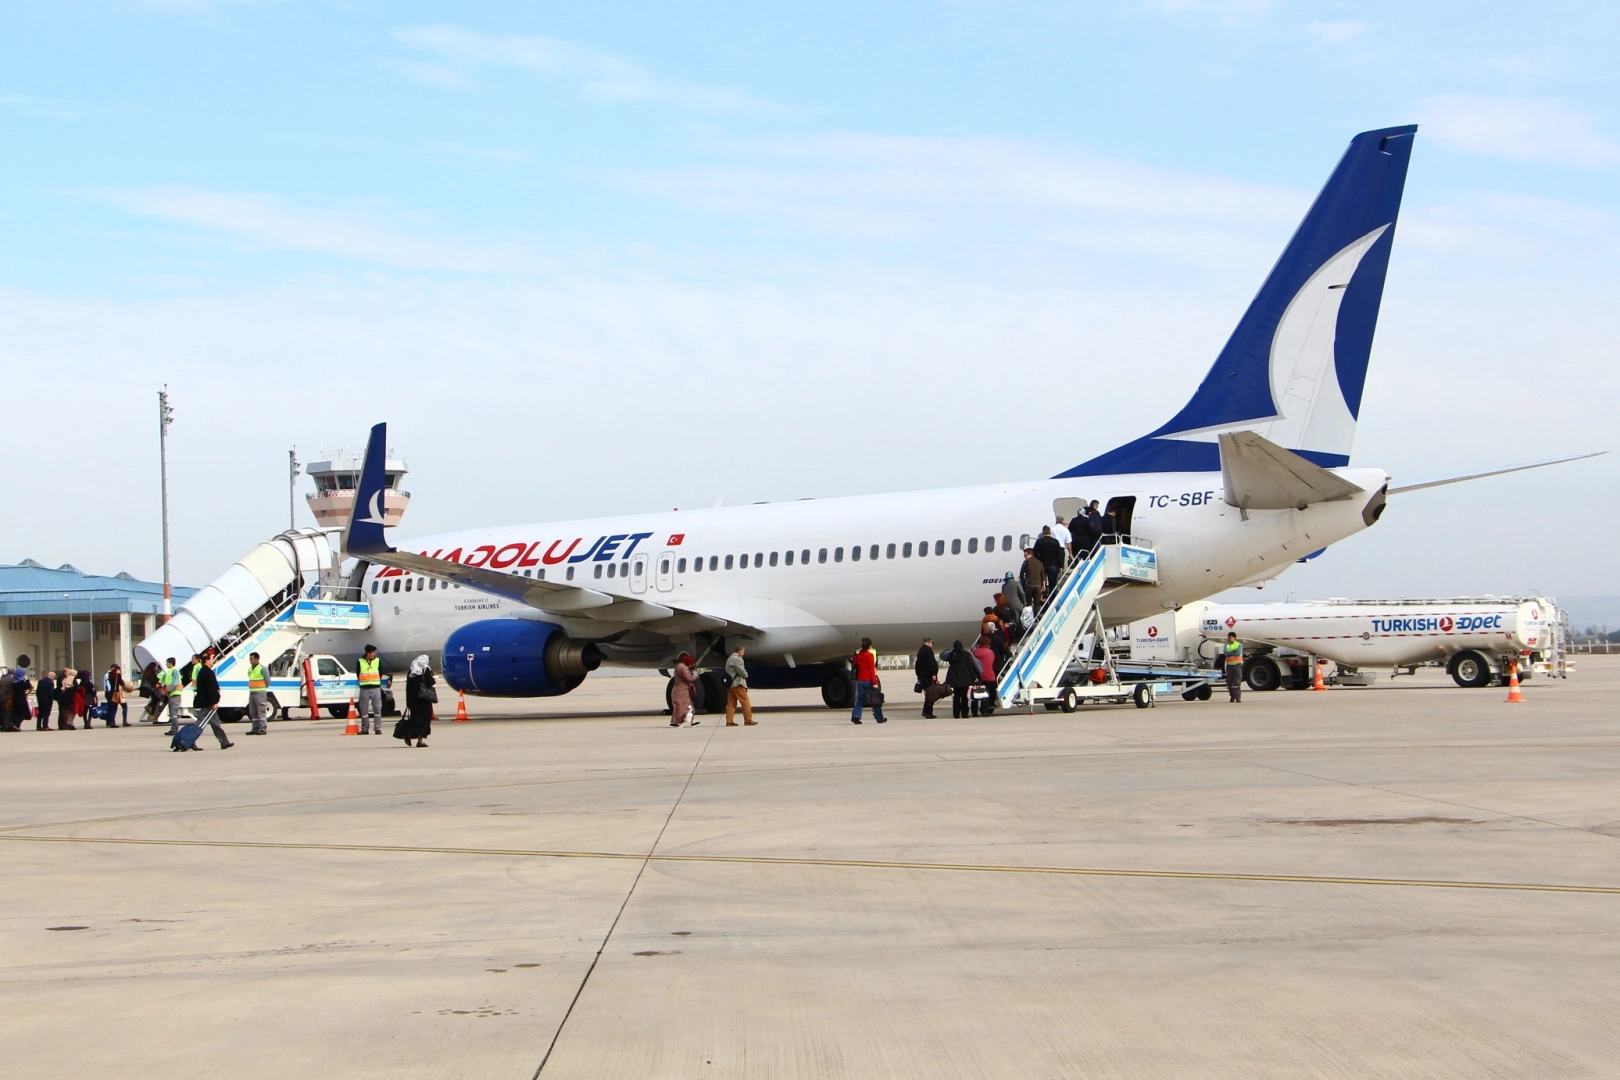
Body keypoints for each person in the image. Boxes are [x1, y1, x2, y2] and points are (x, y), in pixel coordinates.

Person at [189, 653, 234, 748]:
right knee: (200, 724)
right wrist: (214, 702)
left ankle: (224, 742)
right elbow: (210, 689)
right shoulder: (207, 672)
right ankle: (190, 741)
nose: (213, 661)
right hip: (207, 704)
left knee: (216, 724)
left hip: (207, 703)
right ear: (207, 660)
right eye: (212, 659)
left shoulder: (205, 671)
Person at [396, 654, 435, 746]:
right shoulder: (425, 669)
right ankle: (420, 741)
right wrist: (432, 679)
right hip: (423, 700)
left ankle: (408, 733)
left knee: (414, 719)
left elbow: (408, 688)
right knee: (424, 720)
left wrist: (408, 702)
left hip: (413, 701)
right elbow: (429, 682)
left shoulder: (411, 671)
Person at [940, 640, 981, 719]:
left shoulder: (951, 655)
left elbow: (947, 659)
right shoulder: (966, 654)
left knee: (956, 697)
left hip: (955, 679)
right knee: (964, 697)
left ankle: (956, 714)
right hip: (965, 678)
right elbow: (970, 667)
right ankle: (964, 714)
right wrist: (974, 677)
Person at [850, 637, 885, 724]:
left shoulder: (858, 655)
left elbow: (855, 664)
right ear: (870, 646)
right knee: (874, 699)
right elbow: (871, 670)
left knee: (859, 700)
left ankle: (855, 716)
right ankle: (879, 718)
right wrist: (875, 683)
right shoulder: (870, 656)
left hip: (860, 680)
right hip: (868, 680)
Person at [915, 637, 947, 719]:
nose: (932, 645)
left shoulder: (920, 651)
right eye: (932, 643)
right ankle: (927, 712)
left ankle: (927, 711)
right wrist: (934, 674)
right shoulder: (928, 650)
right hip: (928, 676)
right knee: (931, 694)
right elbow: (931, 663)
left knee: (928, 694)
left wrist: (919, 676)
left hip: (922, 676)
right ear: (928, 642)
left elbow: (917, 665)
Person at [723, 644, 755, 726]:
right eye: (743, 651)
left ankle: (729, 721)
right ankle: (748, 720)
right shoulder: (737, 659)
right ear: (740, 651)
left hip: (731, 684)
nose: (743, 653)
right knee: (745, 702)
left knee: (731, 704)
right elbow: (741, 671)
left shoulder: (730, 658)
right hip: (738, 683)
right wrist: (746, 675)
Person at [356, 645, 383, 735]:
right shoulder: (360, 661)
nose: (374, 654)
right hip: (364, 688)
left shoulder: (378, 661)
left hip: (375, 687)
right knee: (363, 709)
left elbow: (380, 673)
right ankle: (365, 729)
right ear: (368, 653)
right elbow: (358, 674)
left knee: (377, 708)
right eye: (373, 652)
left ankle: (377, 728)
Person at [242, 651, 271, 735]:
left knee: (261, 711)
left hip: (260, 693)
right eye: (250, 658)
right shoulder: (250, 669)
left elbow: (268, 681)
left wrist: (262, 688)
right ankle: (255, 728)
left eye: (251, 658)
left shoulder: (262, 669)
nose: (250, 660)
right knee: (253, 712)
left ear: (257, 659)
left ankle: (262, 729)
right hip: (252, 692)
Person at [669, 653, 699, 727]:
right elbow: (688, 678)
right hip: (682, 690)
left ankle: (692, 721)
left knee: (682, 706)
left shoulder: (678, 666)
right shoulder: (684, 668)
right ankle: (677, 722)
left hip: (678, 689)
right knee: (683, 706)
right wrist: (694, 675)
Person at [970, 636, 998, 716]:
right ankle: (985, 711)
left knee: (974, 694)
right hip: (988, 675)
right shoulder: (990, 652)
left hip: (977, 676)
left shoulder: (974, 652)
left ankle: (974, 712)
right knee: (986, 694)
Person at [2, 656, 31, 731]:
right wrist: (27, 679)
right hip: (21, 698)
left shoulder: (13, 682)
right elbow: (28, 686)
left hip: (14, 698)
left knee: (16, 712)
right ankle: (16, 724)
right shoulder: (20, 682)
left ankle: (14, 725)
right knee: (24, 712)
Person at [1034, 527, 1066, 593]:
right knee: (1053, 583)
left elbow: (1035, 553)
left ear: (1043, 532)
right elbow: (1059, 554)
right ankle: (1052, 596)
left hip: (1042, 564)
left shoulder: (1039, 542)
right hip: (1053, 565)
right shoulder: (1055, 541)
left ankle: (1044, 595)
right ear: (1050, 532)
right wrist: (1060, 566)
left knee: (1042, 582)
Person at [160, 657, 184, 734]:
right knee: (172, 713)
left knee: (173, 713)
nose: (166, 664)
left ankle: (174, 729)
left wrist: (169, 691)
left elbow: (175, 682)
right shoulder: (170, 671)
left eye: (167, 663)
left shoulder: (175, 671)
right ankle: (173, 729)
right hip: (172, 694)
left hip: (175, 693)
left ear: (171, 663)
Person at [1223, 632, 1244, 703]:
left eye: (1230, 637)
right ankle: (1232, 696)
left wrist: (1230, 653)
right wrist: (1233, 652)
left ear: (1234, 637)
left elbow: (1238, 653)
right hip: (1229, 666)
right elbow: (1225, 653)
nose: (1228, 639)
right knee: (1229, 682)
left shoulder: (1239, 645)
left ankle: (1238, 697)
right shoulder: (1226, 645)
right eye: (1228, 637)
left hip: (1237, 665)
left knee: (1237, 682)